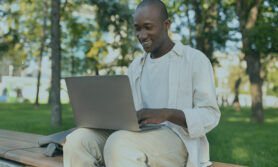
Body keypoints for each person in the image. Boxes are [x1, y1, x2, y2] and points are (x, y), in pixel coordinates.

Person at [63, 0, 220, 167]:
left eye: (148, 27)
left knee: (119, 143)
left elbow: (210, 115)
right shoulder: (135, 67)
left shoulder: (195, 60)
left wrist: (167, 114)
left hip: (178, 140)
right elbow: (126, 112)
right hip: (135, 135)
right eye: (137, 28)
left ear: (166, 25)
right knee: (77, 140)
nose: (142, 35)